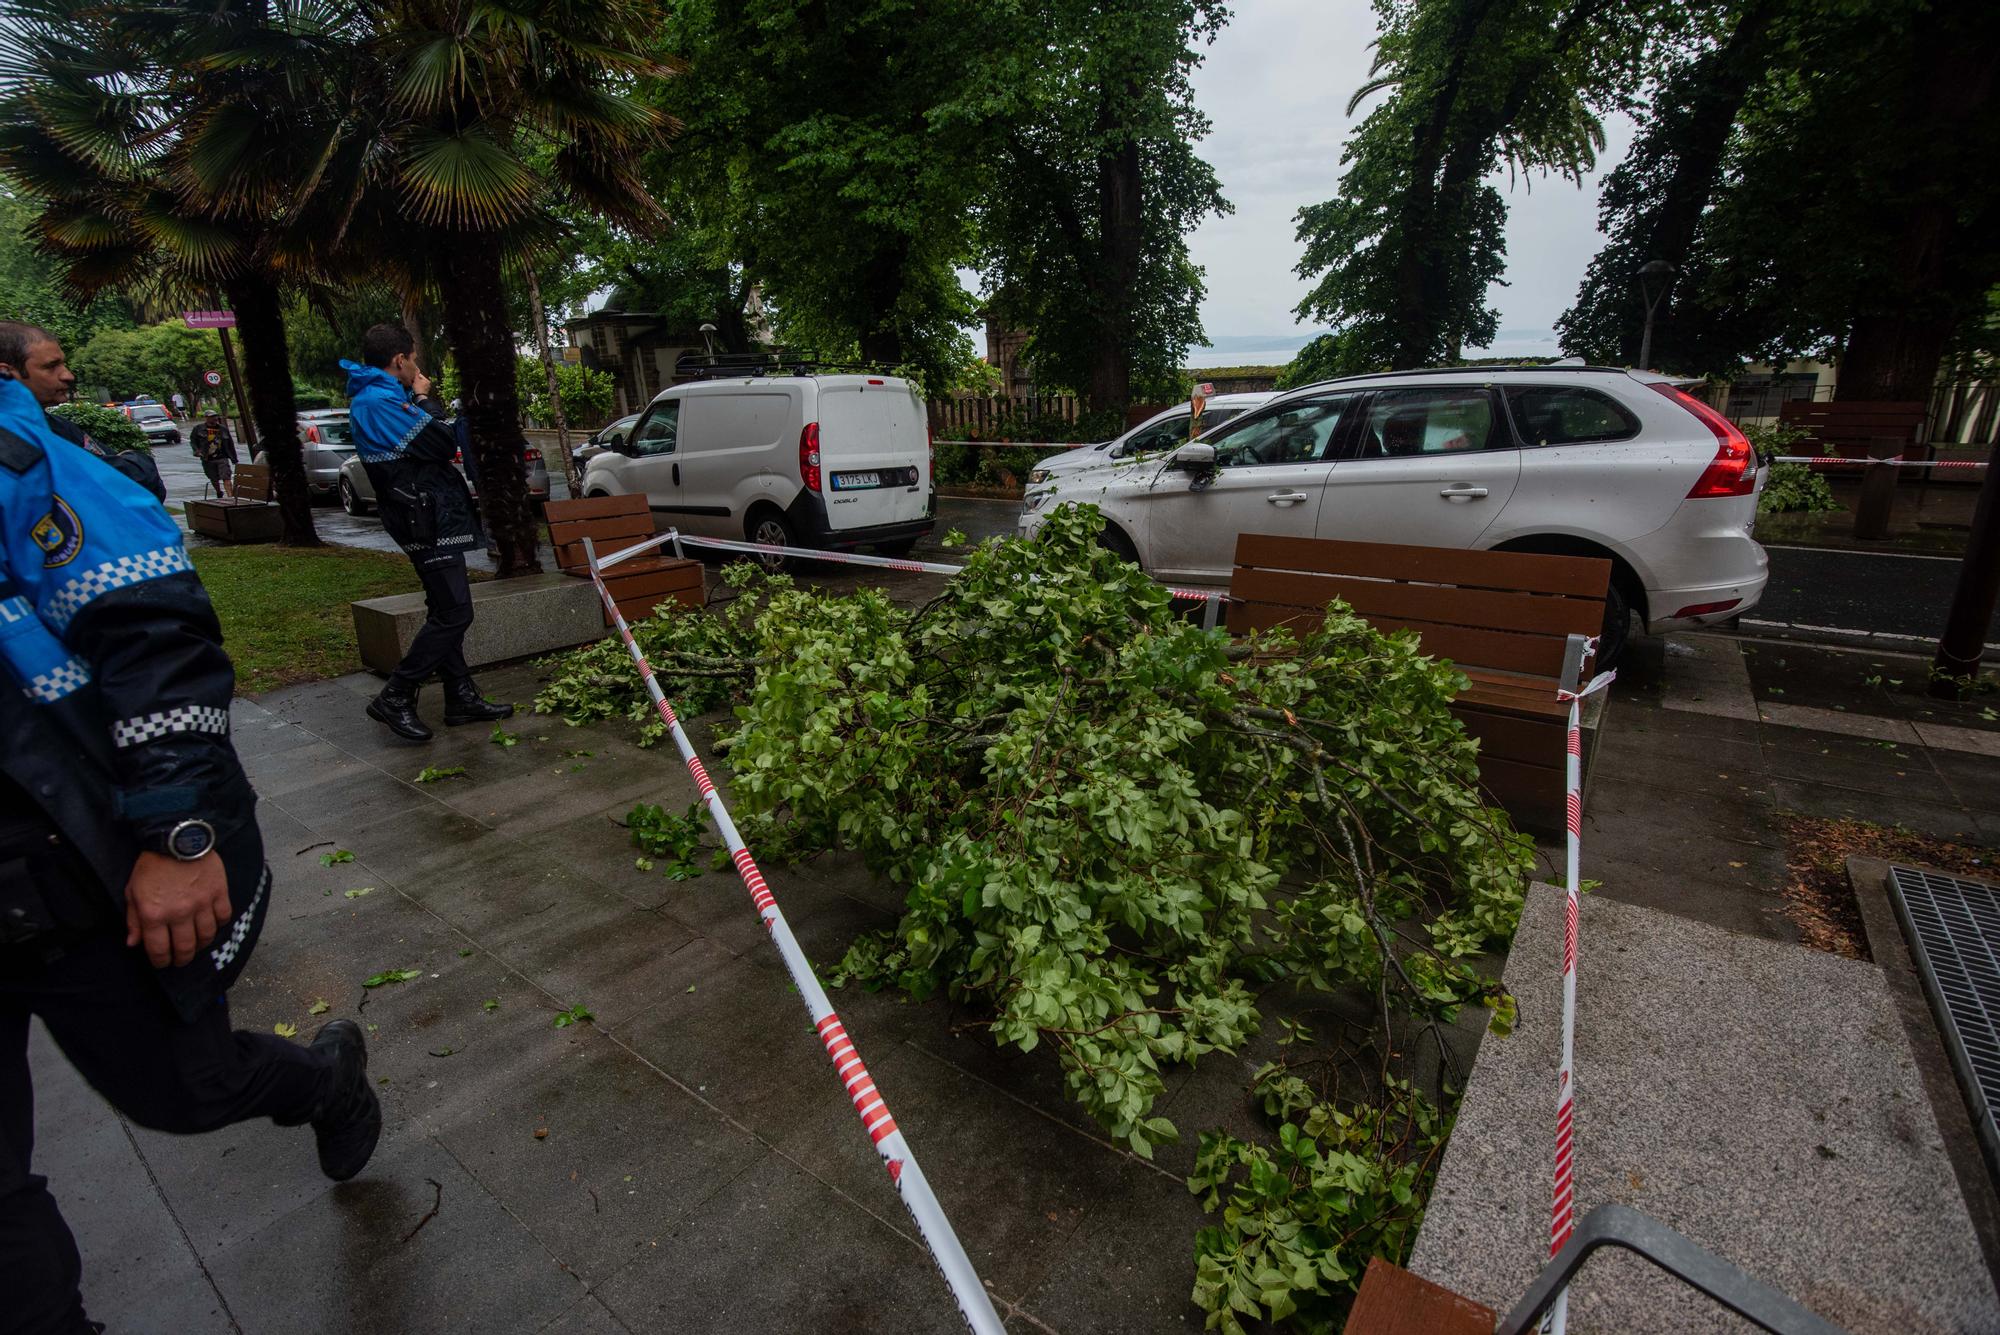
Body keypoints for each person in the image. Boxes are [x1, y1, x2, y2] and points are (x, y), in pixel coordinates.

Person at [0, 372, 381, 1335]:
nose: (66, 377)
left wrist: (177, 832)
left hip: (62, 864)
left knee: (183, 1089)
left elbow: (156, 639)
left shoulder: (28, 467)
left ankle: (326, 1079)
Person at [342, 324, 512, 741]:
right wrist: (423, 398)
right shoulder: (380, 400)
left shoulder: (381, 397)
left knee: (443, 607)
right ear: (400, 359)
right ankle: (397, 694)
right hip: (421, 515)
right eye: (413, 358)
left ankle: (460, 696)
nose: (417, 366)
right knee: (455, 611)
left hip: (424, 511)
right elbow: (439, 442)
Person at [0, 322, 164, 502]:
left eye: (63, 364)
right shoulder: (15, 440)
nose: (67, 375)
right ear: (5, 373)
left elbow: (146, 486)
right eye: (51, 366)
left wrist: (136, 467)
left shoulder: (56, 426)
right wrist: (135, 463)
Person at [190, 412, 236, 495]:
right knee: (213, 478)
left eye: (215, 416)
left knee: (226, 476)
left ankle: (230, 496)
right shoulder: (198, 429)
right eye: (211, 417)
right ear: (206, 418)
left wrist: (234, 458)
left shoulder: (223, 429)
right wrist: (196, 451)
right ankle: (218, 492)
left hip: (222, 457)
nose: (214, 418)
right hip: (207, 458)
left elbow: (230, 444)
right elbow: (193, 441)